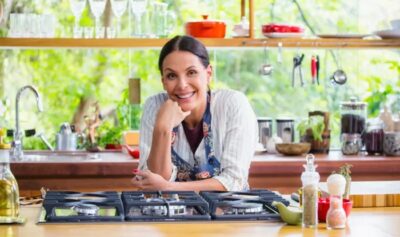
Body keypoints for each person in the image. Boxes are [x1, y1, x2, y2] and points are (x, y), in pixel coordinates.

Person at [131, 35, 257, 191]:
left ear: (208, 74)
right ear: (163, 81)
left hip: (228, 212)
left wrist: (169, 187)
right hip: (170, 214)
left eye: (191, 72)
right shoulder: (155, 106)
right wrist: (163, 128)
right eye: (172, 76)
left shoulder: (232, 104)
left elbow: (233, 181)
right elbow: (152, 183)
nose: (182, 85)